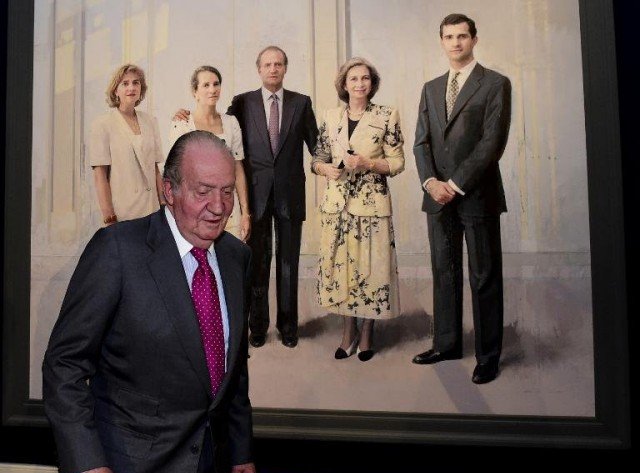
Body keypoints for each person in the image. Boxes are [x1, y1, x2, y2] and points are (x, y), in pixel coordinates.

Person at [43, 131, 255, 473]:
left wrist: (240, 446)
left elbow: (234, 364)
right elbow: (64, 364)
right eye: (203, 191)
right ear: (168, 190)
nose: (219, 207)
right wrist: (86, 463)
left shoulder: (236, 257)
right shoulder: (117, 250)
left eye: (228, 191)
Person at [176, 46, 318, 348]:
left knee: (289, 264)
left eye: (278, 64)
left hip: (291, 196)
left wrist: (334, 162)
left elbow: (318, 146)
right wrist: (185, 112)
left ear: (285, 68)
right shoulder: (243, 103)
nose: (273, 69)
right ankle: (258, 326)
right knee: (258, 265)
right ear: (259, 69)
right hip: (256, 197)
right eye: (267, 64)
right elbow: (215, 123)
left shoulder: (301, 103)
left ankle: (288, 327)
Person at [412, 13, 512, 384]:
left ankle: (488, 356)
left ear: (474, 39)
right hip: (436, 196)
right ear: (442, 41)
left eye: (462, 36)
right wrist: (430, 183)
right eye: (449, 37)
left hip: (476, 194)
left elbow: (492, 143)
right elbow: (421, 142)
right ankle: (447, 344)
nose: (456, 43)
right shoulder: (431, 87)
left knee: (484, 275)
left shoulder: (495, 83)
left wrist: (454, 184)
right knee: (444, 271)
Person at [312, 57, 404, 361]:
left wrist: (369, 164)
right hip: (337, 208)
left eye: (365, 78)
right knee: (342, 271)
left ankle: (367, 332)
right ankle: (348, 331)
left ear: (372, 83)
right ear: (344, 84)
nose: (360, 84)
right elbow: (317, 159)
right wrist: (326, 169)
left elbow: (397, 162)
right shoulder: (330, 116)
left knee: (371, 270)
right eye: (353, 79)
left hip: (372, 207)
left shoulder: (386, 115)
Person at [169, 65, 251, 242]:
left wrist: (245, 212)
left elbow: (237, 168)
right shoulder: (182, 124)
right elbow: (174, 173)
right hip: (195, 209)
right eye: (206, 85)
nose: (212, 90)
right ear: (195, 91)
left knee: (230, 255)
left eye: (216, 84)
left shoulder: (231, 122)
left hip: (228, 209)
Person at [90, 64, 165, 226]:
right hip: (122, 214)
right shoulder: (102, 125)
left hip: (153, 211)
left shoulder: (151, 122)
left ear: (141, 88)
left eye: (136, 82)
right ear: (115, 90)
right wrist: (110, 218)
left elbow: (155, 169)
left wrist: (164, 207)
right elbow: (100, 176)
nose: (131, 87)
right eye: (125, 83)